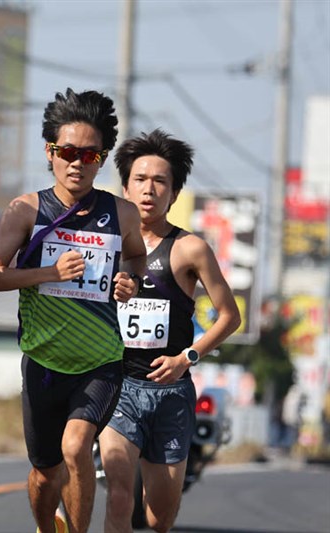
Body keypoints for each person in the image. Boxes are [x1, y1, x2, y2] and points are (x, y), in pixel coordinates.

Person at [0, 88, 147, 533]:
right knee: (44, 473)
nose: (77, 162)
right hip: (44, 361)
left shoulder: (123, 213)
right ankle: (45, 524)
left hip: (101, 361)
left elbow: (136, 257)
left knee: (77, 448)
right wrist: (47, 273)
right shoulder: (25, 211)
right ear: (50, 152)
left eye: (89, 155)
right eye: (68, 152)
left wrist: (129, 280)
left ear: (102, 158)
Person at [99, 129, 241, 533]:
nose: (149, 190)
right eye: (140, 180)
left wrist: (187, 357)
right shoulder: (105, 245)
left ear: (175, 193)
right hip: (118, 385)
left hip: (170, 392)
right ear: (124, 186)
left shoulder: (189, 249)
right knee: (120, 495)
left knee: (158, 517)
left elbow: (229, 316)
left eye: (160, 181)